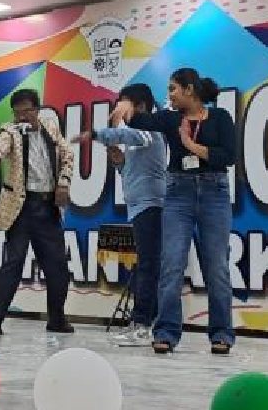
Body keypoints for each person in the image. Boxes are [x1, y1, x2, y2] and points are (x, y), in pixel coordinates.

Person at [110, 68, 237, 355]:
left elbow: (228, 155)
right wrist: (128, 107)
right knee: (171, 264)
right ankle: (166, 331)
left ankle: (221, 334)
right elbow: (145, 120)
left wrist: (192, 146)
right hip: (178, 193)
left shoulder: (219, 118)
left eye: (173, 89)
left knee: (216, 266)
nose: (169, 95)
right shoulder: (170, 118)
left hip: (214, 194)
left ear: (189, 89)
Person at [72, 83, 166, 346]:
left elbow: (134, 137)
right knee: (146, 265)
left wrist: (95, 134)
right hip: (139, 206)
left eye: (124, 105)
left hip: (151, 206)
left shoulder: (150, 128)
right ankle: (147, 323)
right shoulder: (139, 134)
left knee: (148, 266)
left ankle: (142, 324)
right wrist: (119, 162)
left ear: (141, 106)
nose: (120, 111)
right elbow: (130, 173)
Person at [0, 89, 75, 335]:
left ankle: (56, 318)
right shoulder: (10, 131)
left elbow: (68, 154)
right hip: (21, 207)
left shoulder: (50, 128)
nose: (21, 116)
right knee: (13, 263)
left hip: (48, 206)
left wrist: (63, 182)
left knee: (57, 266)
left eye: (26, 111)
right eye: (17, 112)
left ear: (37, 110)